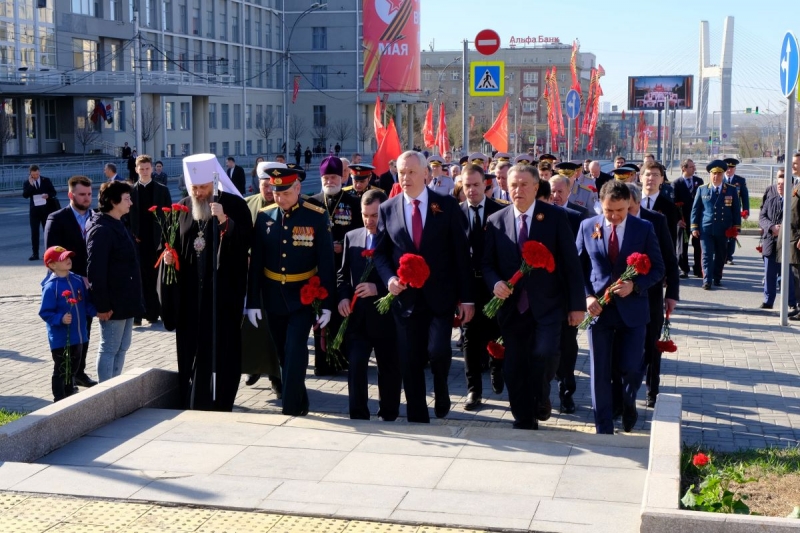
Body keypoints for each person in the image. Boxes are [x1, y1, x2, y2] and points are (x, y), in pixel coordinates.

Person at [373, 150, 474, 423]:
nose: (405, 178)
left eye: (411, 172)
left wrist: (466, 299)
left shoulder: (446, 205)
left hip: (440, 298)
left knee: (439, 352)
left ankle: (442, 389)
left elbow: (460, 254)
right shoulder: (388, 208)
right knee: (410, 361)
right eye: (401, 172)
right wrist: (389, 279)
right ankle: (418, 416)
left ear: (426, 174)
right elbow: (380, 254)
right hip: (405, 300)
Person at [482, 164, 585, 428]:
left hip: (548, 305)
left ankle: (541, 394)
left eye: (524, 185)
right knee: (514, 367)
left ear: (537, 187)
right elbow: (487, 264)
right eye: (513, 185)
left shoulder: (554, 217)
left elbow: (571, 264)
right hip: (512, 309)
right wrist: (495, 284)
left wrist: (577, 306)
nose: (517, 190)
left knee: (545, 355)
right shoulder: (496, 220)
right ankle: (524, 418)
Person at [158, 154, 252, 411]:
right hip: (190, 296)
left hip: (221, 296)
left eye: (203, 187)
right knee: (191, 349)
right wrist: (168, 257)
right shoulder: (183, 208)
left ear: (214, 182)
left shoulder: (233, 205)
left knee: (222, 351)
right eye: (195, 188)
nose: (199, 193)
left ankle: (220, 401)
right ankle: (191, 399)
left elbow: (246, 242)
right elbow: (172, 243)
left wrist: (225, 221)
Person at [575, 181, 665, 434]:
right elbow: (577, 268)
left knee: (631, 369)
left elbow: (658, 269)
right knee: (599, 370)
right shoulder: (586, 226)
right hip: (599, 311)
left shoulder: (643, 229)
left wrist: (634, 286)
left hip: (632, 311)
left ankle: (628, 404)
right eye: (608, 211)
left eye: (620, 211)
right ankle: (603, 426)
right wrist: (587, 297)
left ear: (629, 205)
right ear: (600, 206)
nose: (614, 217)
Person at [246, 166, 335, 416]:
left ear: (297, 188)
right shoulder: (264, 217)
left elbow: (326, 263)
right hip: (273, 296)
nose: (279, 198)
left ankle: (291, 409)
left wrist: (327, 303)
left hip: (303, 296)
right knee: (284, 354)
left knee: (295, 350)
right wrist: (252, 301)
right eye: (276, 193)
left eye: (285, 192)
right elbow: (256, 265)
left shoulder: (316, 216)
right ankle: (301, 401)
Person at [337, 189, 401, 420]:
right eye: (365, 215)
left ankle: (389, 413)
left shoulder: (395, 239)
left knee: (389, 369)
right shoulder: (351, 237)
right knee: (355, 366)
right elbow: (342, 276)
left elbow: (403, 278)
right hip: (358, 320)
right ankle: (358, 414)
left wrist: (379, 289)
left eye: (374, 215)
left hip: (387, 319)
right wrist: (343, 297)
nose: (369, 220)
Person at [624, 183, 680, 409]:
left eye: (628, 207)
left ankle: (652, 389)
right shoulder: (612, 219)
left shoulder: (655, 221)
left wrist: (672, 294)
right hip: (622, 294)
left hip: (652, 293)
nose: (622, 212)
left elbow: (669, 259)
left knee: (651, 344)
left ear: (637, 203)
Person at [308, 156, 363, 375]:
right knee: (320, 315)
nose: (330, 181)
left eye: (333, 177)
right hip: (318, 271)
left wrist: (345, 246)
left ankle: (340, 359)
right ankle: (322, 362)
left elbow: (360, 233)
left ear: (342, 177)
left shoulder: (352, 203)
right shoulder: (311, 203)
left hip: (343, 270)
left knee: (341, 316)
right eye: (326, 177)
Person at [86, 181, 144, 382]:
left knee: (122, 346)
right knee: (109, 347)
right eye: (127, 199)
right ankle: (105, 393)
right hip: (113, 302)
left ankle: (115, 387)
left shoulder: (119, 223)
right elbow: (96, 271)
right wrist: (102, 305)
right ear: (113, 201)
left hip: (126, 299)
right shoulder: (101, 229)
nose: (131, 203)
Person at [44, 175, 98, 388]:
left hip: (90, 285)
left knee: (84, 331)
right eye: (82, 194)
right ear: (71, 195)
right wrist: (74, 278)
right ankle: (66, 375)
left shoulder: (96, 217)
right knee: (68, 332)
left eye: (89, 194)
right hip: (67, 287)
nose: (87, 199)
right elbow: (52, 256)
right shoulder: (57, 218)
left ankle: (79, 371)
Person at [459, 165, 505, 411]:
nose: (472, 190)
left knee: (496, 331)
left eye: (476, 185)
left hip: (493, 285)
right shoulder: (455, 214)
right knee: (468, 337)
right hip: (468, 286)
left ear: (485, 184)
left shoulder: (499, 211)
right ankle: (473, 390)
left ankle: (497, 366)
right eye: (467, 185)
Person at [241, 161, 283, 395]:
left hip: (278, 278)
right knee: (254, 328)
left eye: (271, 185)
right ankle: (254, 368)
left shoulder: (285, 204)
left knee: (274, 331)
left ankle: (277, 378)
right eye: (263, 185)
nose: (267, 190)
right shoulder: (248, 205)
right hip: (253, 279)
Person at [39, 246, 96, 402]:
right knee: (61, 368)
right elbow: (45, 312)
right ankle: (59, 398)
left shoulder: (77, 280)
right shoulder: (51, 286)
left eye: (68, 257)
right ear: (52, 265)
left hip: (79, 335)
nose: (68, 260)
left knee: (74, 366)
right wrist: (60, 319)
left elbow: (85, 303)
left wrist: (96, 311)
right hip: (61, 338)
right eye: (63, 258)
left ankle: (69, 394)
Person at [128, 155, 172, 326]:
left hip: (157, 241)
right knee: (139, 277)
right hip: (137, 241)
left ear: (152, 169)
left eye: (147, 168)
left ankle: (155, 312)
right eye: (141, 169)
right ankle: (140, 312)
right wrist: (133, 234)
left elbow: (168, 217)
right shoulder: (131, 191)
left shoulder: (162, 190)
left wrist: (167, 240)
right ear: (136, 170)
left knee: (156, 277)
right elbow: (126, 215)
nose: (145, 172)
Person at [691, 160, 742, 290]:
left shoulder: (730, 190)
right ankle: (707, 280)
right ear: (710, 174)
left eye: (719, 174)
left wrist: (736, 227)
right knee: (707, 254)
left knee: (721, 254)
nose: (716, 177)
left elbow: (736, 209)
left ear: (723, 174)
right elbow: (696, 210)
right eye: (714, 174)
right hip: (706, 228)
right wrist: (694, 227)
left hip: (723, 229)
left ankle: (717, 276)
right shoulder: (702, 190)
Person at [760, 171, 798, 313]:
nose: (780, 187)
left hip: (786, 242)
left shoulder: (793, 200)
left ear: (791, 185)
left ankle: (791, 302)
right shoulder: (772, 199)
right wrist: (771, 227)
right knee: (769, 272)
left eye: (783, 184)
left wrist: (783, 228)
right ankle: (768, 301)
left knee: (787, 275)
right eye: (779, 184)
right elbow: (762, 217)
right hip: (770, 240)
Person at [672, 159, 704, 278]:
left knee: (698, 245)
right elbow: (673, 203)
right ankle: (684, 268)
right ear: (684, 168)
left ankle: (698, 268)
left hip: (696, 219)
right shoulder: (676, 183)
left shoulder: (699, 181)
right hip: (683, 220)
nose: (694, 169)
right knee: (682, 245)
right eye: (691, 167)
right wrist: (678, 220)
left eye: (694, 166)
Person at [22, 164, 59, 261]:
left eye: (37, 174)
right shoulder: (27, 182)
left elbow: (53, 192)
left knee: (47, 232)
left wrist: (48, 195)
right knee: (34, 233)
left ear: (39, 172)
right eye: (33, 175)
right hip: (34, 211)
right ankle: (35, 253)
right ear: (30, 174)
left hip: (46, 210)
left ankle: (48, 253)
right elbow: (25, 195)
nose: (35, 176)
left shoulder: (45, 180)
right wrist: (31, 185)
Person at [640, 161, 680, 246]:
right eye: (647, 175)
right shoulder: (630, 202)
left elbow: (671, 237)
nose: (651, 178)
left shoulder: (669, 207)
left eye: (655, 175)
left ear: (662, 179)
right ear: (640, 178)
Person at [723, 158, 749, 265]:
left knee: (733, 233)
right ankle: (722, 255)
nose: (729, 170)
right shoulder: (720, 179)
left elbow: (745, 197)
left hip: (735, 212)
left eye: (732, 167)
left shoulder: (740, 181)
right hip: (722, 211)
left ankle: (729, 256)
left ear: (735, 168)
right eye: (727, 168)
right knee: (722, 233)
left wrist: (746, 211)